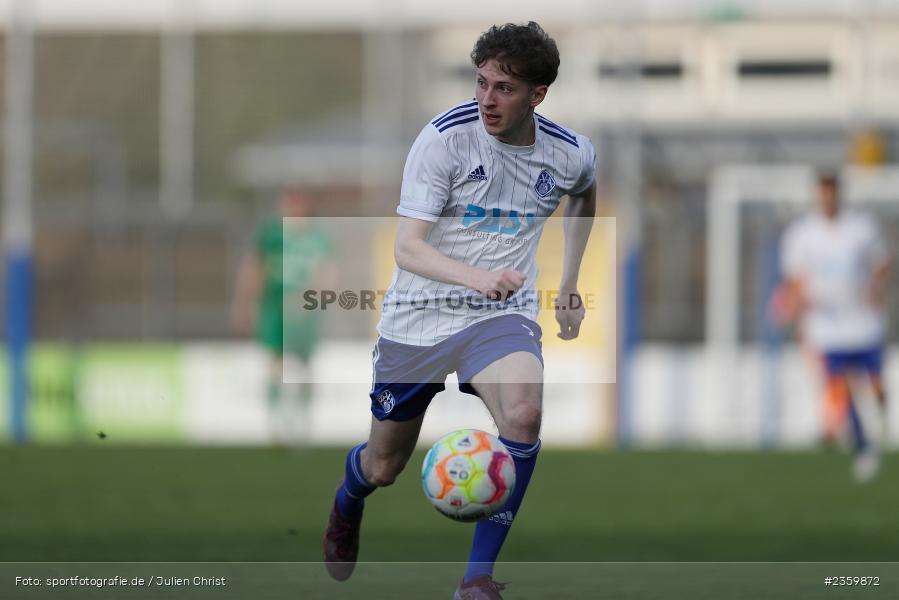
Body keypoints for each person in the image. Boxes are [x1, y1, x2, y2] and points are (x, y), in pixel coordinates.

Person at [321, 22, 597, 599]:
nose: (487, 100)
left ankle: (476, 580)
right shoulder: (445, 141)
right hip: (418, 317)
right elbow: (407, 247)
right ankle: (348, 502)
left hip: (500, 316)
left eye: (504, 88)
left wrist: (569, 281)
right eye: (481, 83)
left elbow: (585, 191)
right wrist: (477, 277)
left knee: (523, 414)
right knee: (382, 467)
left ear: (537, 96)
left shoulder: (568, 153)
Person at [773, 173, 892, 482]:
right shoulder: (802, 234)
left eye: (832, 194)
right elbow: (796, 279)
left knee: (876, 384)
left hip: (863, 321)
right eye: (822, 195)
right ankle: (864, 448)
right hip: (826, 327)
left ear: (839, 195)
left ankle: (882, 417)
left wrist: (876, 288)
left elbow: (884, 263)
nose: (827, 200)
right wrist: (794, 307)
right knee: (840, 388)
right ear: (817, 197)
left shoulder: (861, 228)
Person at [232, 186, 336, 446]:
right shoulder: (271, 234)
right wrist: (243, 305)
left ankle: (302, 422)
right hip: (274, 307)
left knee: (304, 367)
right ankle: (276, 424)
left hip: (305, 312)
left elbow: (327, 275)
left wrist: (307, 298)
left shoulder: (318, 237)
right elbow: (254, 269)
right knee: (275, 364)